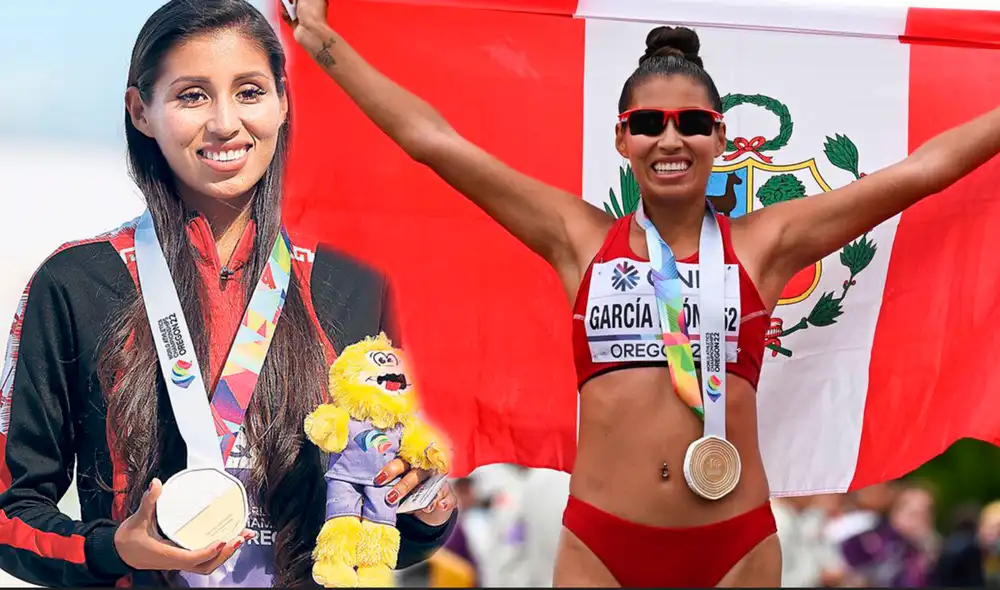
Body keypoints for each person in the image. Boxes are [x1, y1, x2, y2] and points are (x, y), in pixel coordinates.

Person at [283, 0, 1000, 586]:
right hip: (600, 546)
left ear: (720, 138)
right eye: (649, 123)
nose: (671, 138)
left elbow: (922, 171)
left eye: (692, 123)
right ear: (622, 139)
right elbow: (433, 140)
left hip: (736, 546)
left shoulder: (767, 242)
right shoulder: (576, 236)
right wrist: (321, 42)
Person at [0, 1, 456, 587]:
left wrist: (422, 505)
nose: (224, 123)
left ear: (283, 101)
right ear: (141, 111)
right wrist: (119, 548)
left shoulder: (355, 285)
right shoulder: (78, 282)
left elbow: (380, 518)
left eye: (249, 91)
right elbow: (12, 514)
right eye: (192, 95)